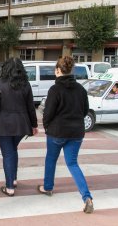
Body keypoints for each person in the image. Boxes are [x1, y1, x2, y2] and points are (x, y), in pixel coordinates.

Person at [38, 56, 94, 214]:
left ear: (58, 70)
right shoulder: (81, 89)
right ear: (71, 70)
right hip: (76, 132)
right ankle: (86, 197)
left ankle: (48, 188)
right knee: (73, 164)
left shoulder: (55, 89)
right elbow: (84, 111)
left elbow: (48, 113)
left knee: (51, 159)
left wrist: (47, 127)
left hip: (57, 131)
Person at [0, 57, 38, 196]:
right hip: (22, 125)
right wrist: (34, 125)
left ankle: (9, 187)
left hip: (3, 125)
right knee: (13, 150)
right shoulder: (26, 84)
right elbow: (31, 107)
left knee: (8, 154)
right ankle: (13, 179)